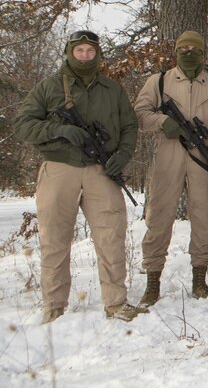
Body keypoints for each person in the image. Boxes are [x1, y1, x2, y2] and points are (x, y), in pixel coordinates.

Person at [13, 30, 146, 323]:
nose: (85, 56)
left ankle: (116, 303)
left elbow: (129, 126)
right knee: (55, 239)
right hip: (60, 167)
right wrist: (59, 130)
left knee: (111, 236)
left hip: (102, 170)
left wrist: (123, 155)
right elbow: (22, 125)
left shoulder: (113, 89)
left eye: (90, 51)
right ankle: (55, 306)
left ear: (97, 54)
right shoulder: (48, 87)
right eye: (79, 51)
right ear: (69, 52)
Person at [134, 30, 208, 306]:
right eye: (184, 48)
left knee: (204, 218)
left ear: (203, 54)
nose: (189, 53)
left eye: (195, 49)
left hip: (205, 158)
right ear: (176, 52)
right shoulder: (159, 81)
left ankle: (200, 282)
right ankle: (152, 283)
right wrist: (164, 123)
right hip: (169, 156)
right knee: (159, 217)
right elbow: (141, 114)